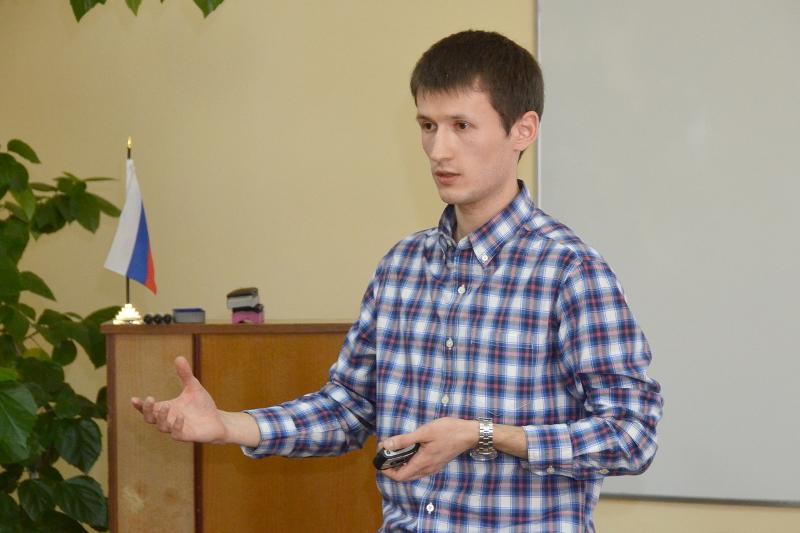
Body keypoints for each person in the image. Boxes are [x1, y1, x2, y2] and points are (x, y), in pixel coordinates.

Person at [132, 30, 663, 532]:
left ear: (522, 130)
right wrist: (228, 426)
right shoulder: (402, 266)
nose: (438, 150)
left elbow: (632, 434)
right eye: (427, 126)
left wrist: (484, 436)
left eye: (461, 126)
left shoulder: (569, 271)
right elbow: (349, 408)